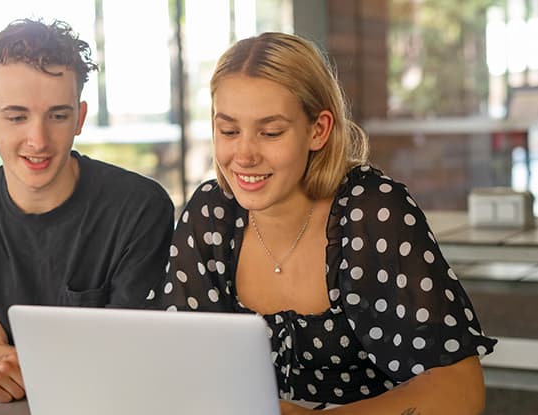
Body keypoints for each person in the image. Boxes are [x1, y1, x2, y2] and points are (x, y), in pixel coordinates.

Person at [145, 32, 496, 414]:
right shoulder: (211, 214)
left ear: (318, 130)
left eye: (271, 132)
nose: (243, 154)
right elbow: (178, 368)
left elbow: (459, 389)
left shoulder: (372, 211)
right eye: (228, 130)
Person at [0, 18, 174, 403]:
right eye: (17, 117)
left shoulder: (139, 209)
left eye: (57, 115)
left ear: (80, 118)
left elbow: (133, 365)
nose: (38, 140)